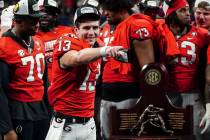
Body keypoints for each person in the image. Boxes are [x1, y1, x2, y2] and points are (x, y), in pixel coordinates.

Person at [46, 5, 122, 140]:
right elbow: (77, 58)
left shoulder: (97, 45)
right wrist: (105, 51)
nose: (91, 32)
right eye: (86, 28)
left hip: (89, 124)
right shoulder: (67, 41)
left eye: (95, 27)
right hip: (66, 125)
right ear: (76, 30)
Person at [0, 0, 49, 140]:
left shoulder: (38, 42)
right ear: (18, 21)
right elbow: (0, 92)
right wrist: (6, 128)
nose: (37, 24)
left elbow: (44, 82)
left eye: (38, 19)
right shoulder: (3, 47)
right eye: (32, 20)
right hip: (19, 112)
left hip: (41, 110)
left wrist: (50, 111)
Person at [161, 0, 210, 139]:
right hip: (166, 93)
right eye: (183, 11)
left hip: (192, 93)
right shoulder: (160, 30)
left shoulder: (202, 34)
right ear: (171, 14)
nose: (188, 14)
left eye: (188, 10)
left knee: (198, 133)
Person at [36, 0, 74, 84]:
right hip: (41, 86)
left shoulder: (68, 31)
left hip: (65, 85)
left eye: (49, 12)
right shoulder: (30, 37)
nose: (44, 15)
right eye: (41, 12)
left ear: (55, 16)